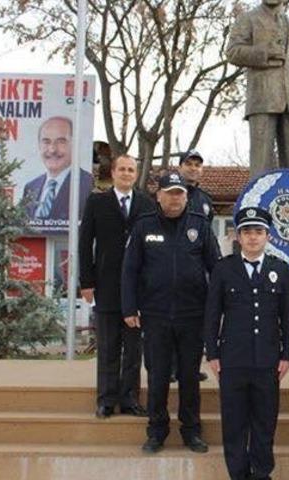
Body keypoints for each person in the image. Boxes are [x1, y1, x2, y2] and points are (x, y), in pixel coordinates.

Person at [121, 172, 221, 454]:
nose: (175, 198)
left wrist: (219, 308)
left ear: (186, 197)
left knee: (190, 377)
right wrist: (129, 307)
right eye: (170, 193)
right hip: (155, 314)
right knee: (157, 376)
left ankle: (191, 432)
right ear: (159, 196)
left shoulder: (199, 226)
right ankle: (156, 431)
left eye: (180, 193)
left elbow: (216, 268)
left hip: (193, 314)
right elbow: (130, 270)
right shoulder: (143, 226)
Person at [204, 207, 289, 480]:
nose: (253, 237)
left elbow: (287, 316)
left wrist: (287, 353)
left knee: (265, 423)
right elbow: (212, 314)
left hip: (268, 361)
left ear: (268, 236)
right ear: (237, 237)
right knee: (234, 424)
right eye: (247, 232)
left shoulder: (279, 268)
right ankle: (238, 474)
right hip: (232, 360)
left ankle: (261, 473)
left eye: (258, 232)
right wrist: (212, 353)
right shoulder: (224, 269)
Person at [79, 154, 154, 419]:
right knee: (108, 347)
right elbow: (85, 242)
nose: (126, 173)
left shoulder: (147, 203)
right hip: (106, 286)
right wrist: (85, 282)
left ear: (136, 174)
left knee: (133, 349)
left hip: (137, 290)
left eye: (131, 169)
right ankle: (106, 400)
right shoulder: (97, 202)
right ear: (113, 173)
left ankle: (130, 398)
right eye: (121, 169)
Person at [226, 0, 289, 177]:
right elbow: (232, 52)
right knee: (260, 166)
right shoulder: (248, 19)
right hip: (262, 100)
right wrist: (264, 52)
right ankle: (258, 203)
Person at [178, 148, 216, 382]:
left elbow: (209, 237)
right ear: (180, 167)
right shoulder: (168, 194)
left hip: (197, 270)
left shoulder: (205, 200)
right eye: (189, 164)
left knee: (194, 323)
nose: (193, 168)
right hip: (171, 268)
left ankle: (190, 367)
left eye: (197, 165)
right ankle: (172, 367)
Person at [22, 116, 93, 221]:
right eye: (46, 142)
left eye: (61, 141)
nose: (52, 150)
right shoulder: (31, 187)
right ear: (39, 145)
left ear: (75, 145)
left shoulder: (87, 184)